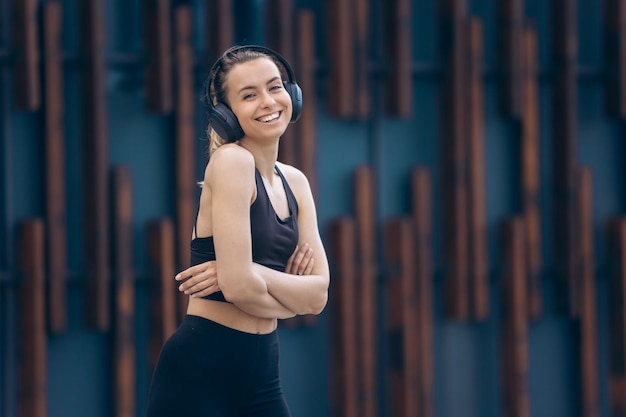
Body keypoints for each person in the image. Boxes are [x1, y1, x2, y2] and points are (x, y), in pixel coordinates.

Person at [145, 45, 330, 417]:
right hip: (202, 367)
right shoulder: (231, 162)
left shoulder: (295, 181)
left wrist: (252, 272)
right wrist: (282, 297)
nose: (267, 101)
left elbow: (318, 294)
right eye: (249, 95)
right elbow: (238, 288)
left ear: (292, 94)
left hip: (263, 371)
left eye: (275, 87)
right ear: (226, 115)